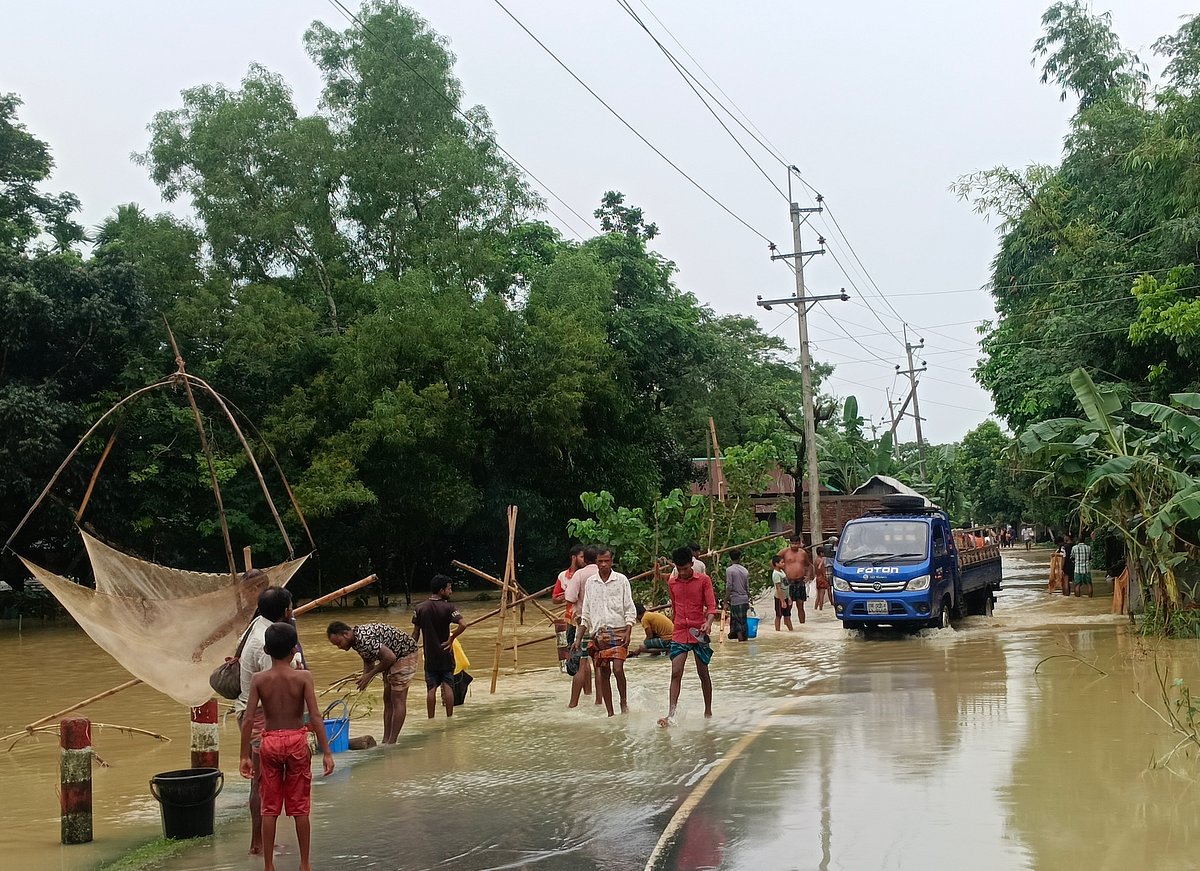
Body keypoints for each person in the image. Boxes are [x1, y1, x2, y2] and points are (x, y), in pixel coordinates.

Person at [240, 622, 334, 871]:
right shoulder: (303, 677)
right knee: (300, 807)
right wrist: (326, 751)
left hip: (269, 742)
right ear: (294, 650)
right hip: (296, 741)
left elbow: (249, 718)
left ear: (267, 650)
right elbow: (315, 716)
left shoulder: (259, 679)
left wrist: (244, 756)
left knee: (269, 808)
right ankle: (304, 864)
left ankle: (269, 865)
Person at [236, 583, 296, 857]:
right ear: (285, 610)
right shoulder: (266, 642)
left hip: (253, 712)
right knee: (261, 781)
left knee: (262, 780)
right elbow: (280, 680)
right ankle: (258, 844)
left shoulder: (256, 627)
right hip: (261, 716)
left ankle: (260, 842)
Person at [326, 619, 419, 744]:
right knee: (387, 698)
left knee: (398, 699)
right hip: (391, 657)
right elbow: (369, 660)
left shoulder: (363, 638)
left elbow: (390, 657)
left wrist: (370, 674)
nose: (340, 647)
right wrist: (365, 677)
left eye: (339, 643)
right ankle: (386, 740)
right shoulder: (356, 640)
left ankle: (392, 742)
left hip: (405, 654)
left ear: (346, 634)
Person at [658, 546, 718, 727]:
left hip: (699, 632)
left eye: (686, 569)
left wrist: (708, 623)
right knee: (676, 672)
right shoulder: (672, 582)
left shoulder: (704, 580)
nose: (683, 573)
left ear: (692, 564)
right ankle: (671, 714)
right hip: (680, 632)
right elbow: (675, 608)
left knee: (703, 673)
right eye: (679, 569)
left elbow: (712, 607)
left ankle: (708, 711)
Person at [578, 547, 637, 716]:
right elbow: (586, 612)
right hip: (599, 634)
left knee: (618, 669)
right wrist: (578, 638)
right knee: (603, 672)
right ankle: (610, 713)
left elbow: (629, 608)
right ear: (595, 562)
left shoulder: (621, 580)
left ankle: (623, 703)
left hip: (619, 631)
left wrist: (628, 630)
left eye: (606, 561)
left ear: (612, 561)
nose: (603, 564)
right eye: (600, 561)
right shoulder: (591, 582)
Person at [411, 574, 466, 718]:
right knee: (448, 685)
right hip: (446, 652)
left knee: (431, 688)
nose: (451, 592)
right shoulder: (449, 607)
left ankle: (431, 718)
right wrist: (452, 638)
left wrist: (409, 650)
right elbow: (463, 624)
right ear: (441, 590)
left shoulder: (420, 608)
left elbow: (415, 634)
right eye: (449, 589)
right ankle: (449, 717)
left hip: (430, 655)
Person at [564, 546, 601, 708]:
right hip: (602, 623)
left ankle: (573, 704)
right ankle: (599, 700)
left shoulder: (579, 574)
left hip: (584, 623)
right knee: (600, 663)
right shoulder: (603, 573)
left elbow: (570, 597)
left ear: (584, 559)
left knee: (582, 663)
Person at [778, 534, 814, 624]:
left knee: (800, 605)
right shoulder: (784, 552)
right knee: (788, 606)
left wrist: (808, 576)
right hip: (788, 582)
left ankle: (802, 625)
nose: (794, 545)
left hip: (800, 582)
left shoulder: (803, 553)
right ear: (790, 543)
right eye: (793, 543)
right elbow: (773, 562)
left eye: (796, 543)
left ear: (799, 543)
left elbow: (809, 565)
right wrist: (779, 574)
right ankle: (787, 624)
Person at [724, 550, 750, 642]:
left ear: (730, 558)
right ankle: (744, 643)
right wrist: (749, 600)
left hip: (736, 600)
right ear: (740, 558)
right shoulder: (745, 570)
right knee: (743, 622)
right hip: (744, 599)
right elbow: (747, 587)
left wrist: (725, 601)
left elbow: (729, 587)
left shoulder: (729, 570)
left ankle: (741, 643)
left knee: (738, 623)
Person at [771, 554, 792, 631]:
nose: (784, 564)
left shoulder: (782, 571)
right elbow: (778, 588)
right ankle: (777, 631)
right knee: (779, 615)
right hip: (779, 598)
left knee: (787, 615)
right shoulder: (776, 574)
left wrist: (788, 597)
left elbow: (786, 586)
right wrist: (782, 601)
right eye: (782, 562)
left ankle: (791, 631)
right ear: (776, 564)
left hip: (786, 596)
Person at [1072, 532, 1094, 597]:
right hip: (1086, 569)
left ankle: (1078, 599)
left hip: (1077, 569)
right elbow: (1090, 557)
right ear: (1084, 540)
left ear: (1077, 540)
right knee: (1089, 584)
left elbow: (1072, 557)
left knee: (1077, 585)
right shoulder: (1088, 548)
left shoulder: (1074, 548)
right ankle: (1090, 598)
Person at [814, 544, 832, 611]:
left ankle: (815, 608)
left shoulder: (815, 560)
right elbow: (821, 570)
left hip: (817, 578)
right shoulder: (821, 560)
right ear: (821, 553)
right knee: (822, 594)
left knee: (818, 595)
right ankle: (821, 608)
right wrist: (825, 578)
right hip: (822, 578)